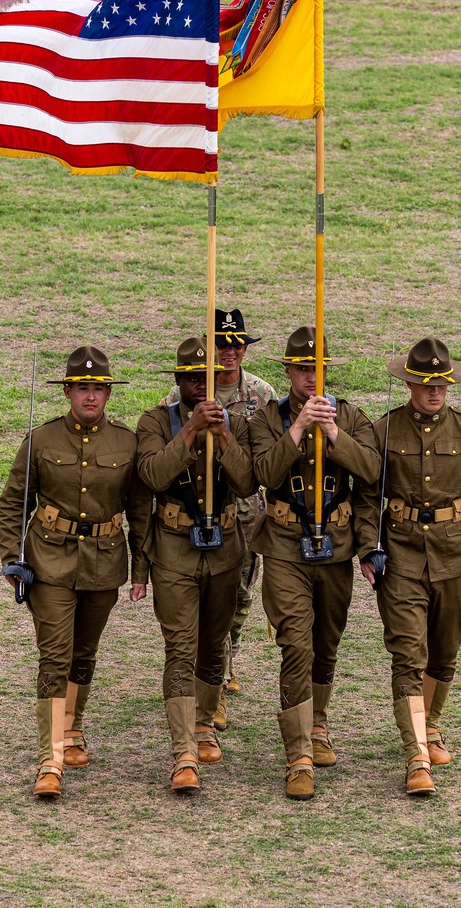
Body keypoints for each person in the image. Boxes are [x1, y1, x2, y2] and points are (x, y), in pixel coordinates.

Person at [0, 345, 152, 799]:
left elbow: (141, 510)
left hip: (105, 563)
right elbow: (14, 501)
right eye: (82, 388)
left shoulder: (127, 442)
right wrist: (12, 556)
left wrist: (141, 567)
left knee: (84, 654)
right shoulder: (41, 440)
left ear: (108, 394)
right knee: (55, 655)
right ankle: (51, 758)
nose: (90, 396)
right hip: (48, 561)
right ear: (67, 391)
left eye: (98, 389)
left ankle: (74, 728)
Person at [359, 337, 461, 796]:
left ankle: (431, 725)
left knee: (444, 652)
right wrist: (367, 549)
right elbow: (366, 497)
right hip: (399, 558)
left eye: (440, 384)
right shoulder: (383, 432)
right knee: (407, 654)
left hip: (453, 559)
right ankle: (417, 755)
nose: (433, 391)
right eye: (424, 383)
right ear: (409, 384)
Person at [249, 326, 380, 800]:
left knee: (326, 642)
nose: (311, 378)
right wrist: (298, 429)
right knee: (296, 645)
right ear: (287, 371)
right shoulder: (267, 418)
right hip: (285, 544)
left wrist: (333, 433)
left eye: (319, 369)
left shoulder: (350, 416)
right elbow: (259, 474)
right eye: (303, 369)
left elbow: (371, 471)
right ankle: (298, 754)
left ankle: (319, 723)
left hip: (337, 546)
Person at [136, 336, 256, 793]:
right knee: (180, 647)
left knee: (214, 642)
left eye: (208, 379)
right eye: (191, 378)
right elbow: (151, 475)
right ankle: (183, 750)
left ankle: (205, 724)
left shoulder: (238, 422)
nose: (200, 387)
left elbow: (246, 482)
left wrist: (222, 432)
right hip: (174, 547)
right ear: (178, 380)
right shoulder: (155, 421)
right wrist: (189, 433)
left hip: (225, 545)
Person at [161, 308, 277, 728]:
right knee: (205, 606)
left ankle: (226, 667)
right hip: (198, 519)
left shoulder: (263, 394)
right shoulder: (183, 396)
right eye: (221, 344)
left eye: (236, 344)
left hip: (246, 518)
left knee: (239, 601)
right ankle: (215, 679)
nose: (229, 352)